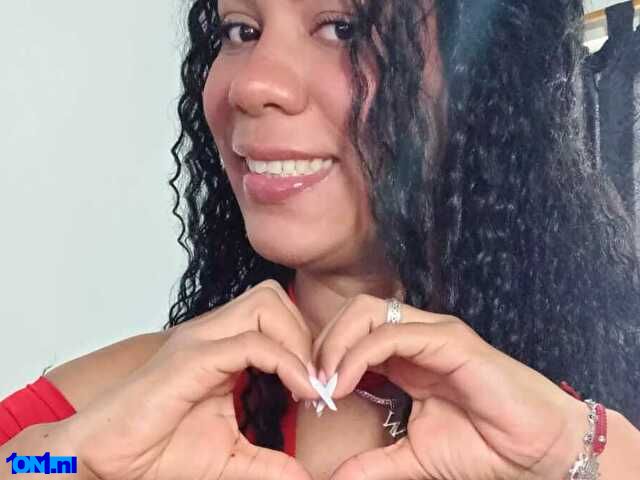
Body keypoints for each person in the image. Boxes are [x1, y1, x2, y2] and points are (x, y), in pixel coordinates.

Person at [2, 0, 640, 479]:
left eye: (343, 28)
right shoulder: (122, 401)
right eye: (240, 31)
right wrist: (72, 463)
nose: (253, 86)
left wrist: (579, 455)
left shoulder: (589, 422)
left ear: (486, 77)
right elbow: (21, 463)